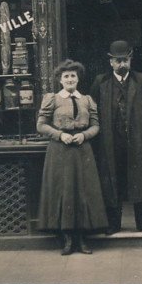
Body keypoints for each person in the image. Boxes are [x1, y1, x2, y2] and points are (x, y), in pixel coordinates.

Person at [37, 59, 107, 255]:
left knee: (83, 192)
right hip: (59, 151)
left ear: (78, 79)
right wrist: (61, 135)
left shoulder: (87, 100)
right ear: (60, 79)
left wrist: (84, 135)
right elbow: (41, 125)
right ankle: (67, 239)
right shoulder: (52, 99)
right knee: (64, 191)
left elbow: (96, 126)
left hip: (82, 152)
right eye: (66, 76)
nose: (69, 79)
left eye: (73, 76)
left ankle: (82, 239)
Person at [90, 40, 142, 235]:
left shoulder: (141, 80)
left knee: (141, 180)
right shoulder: (100, 82)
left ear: (131, 59)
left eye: (125, 60)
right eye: (117, 61)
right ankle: (113, 224)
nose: (122, 64)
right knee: (112, 180)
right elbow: (92, 111)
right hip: (110, 142)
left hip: (138, 141)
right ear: (111, 62)